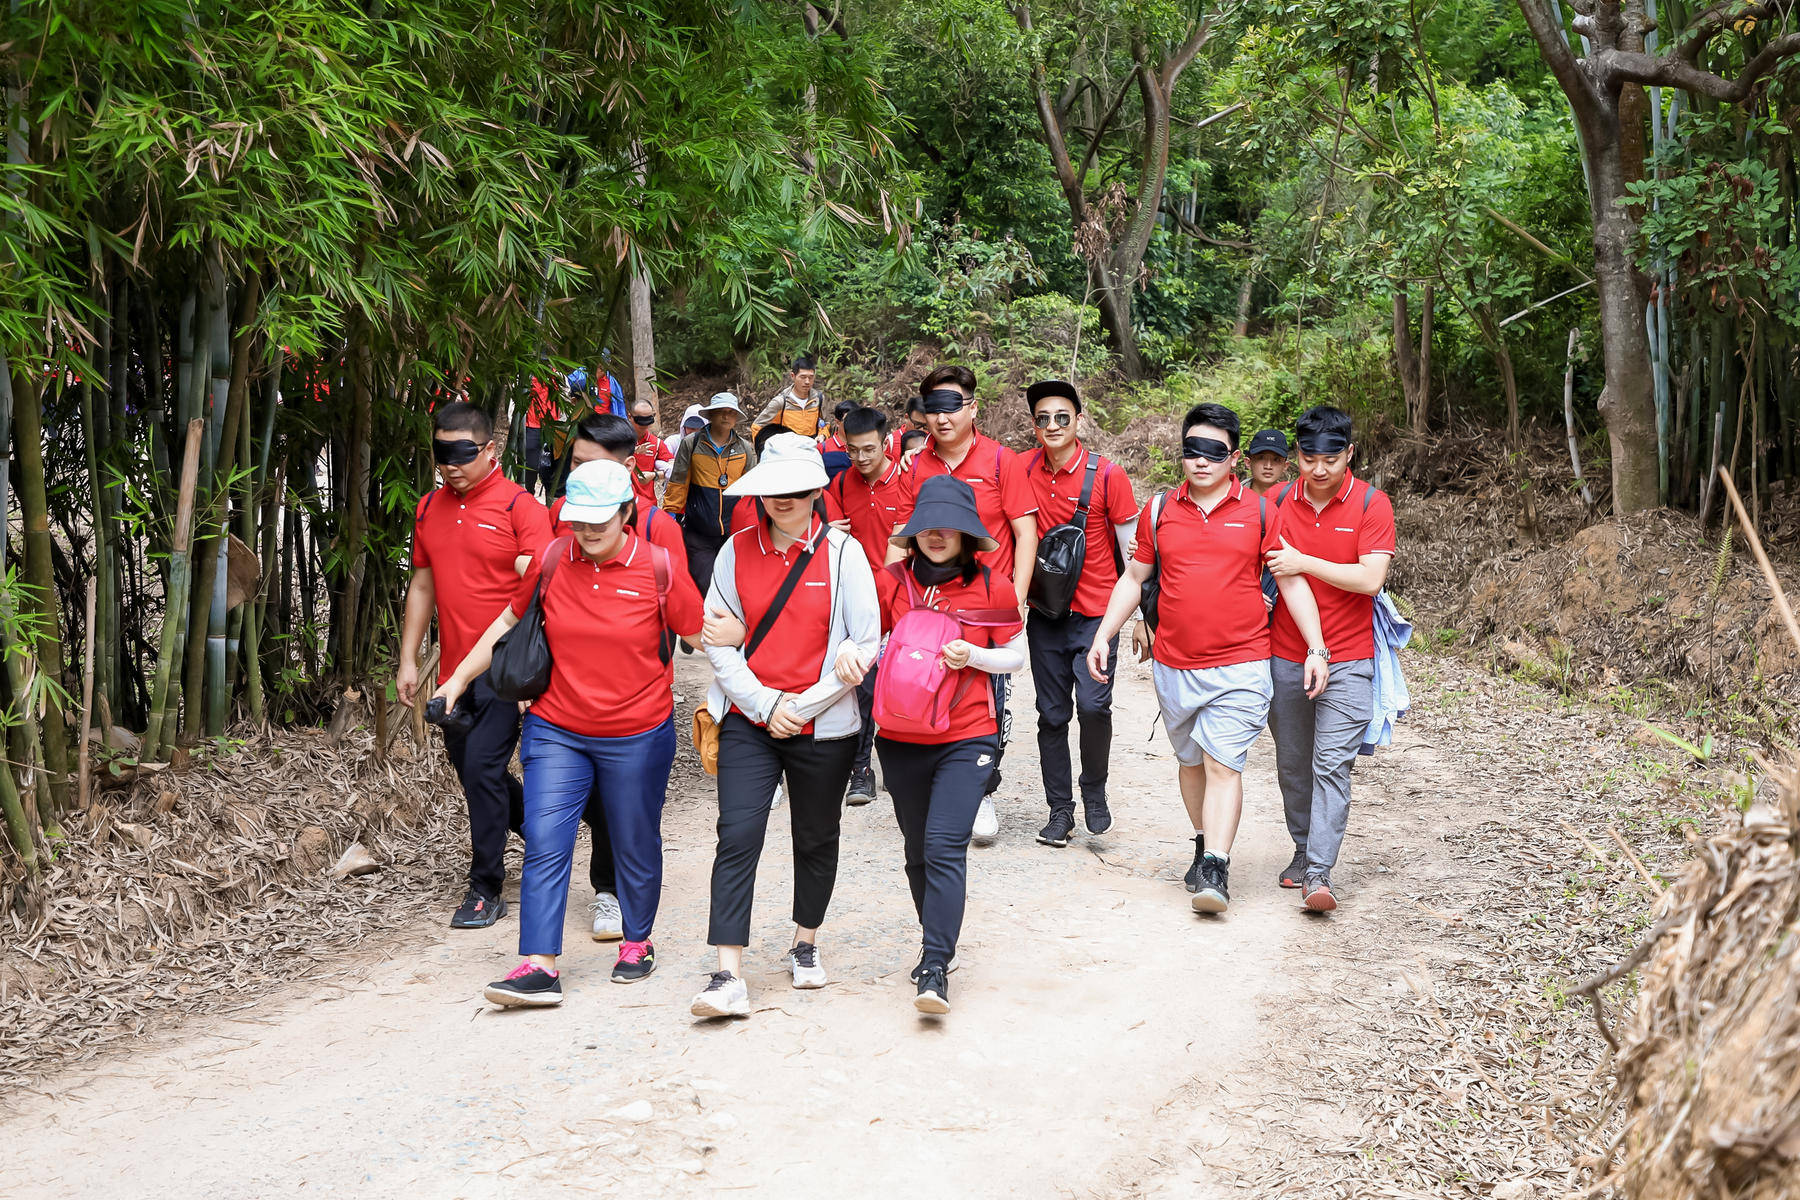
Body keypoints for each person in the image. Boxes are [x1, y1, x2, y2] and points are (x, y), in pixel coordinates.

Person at [434, 461, 704, 1006]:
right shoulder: (554, 559)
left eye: (598, 523)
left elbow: (704, 635)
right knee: (546, 842)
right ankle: (539, 964)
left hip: (637, 731)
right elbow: (508, 623)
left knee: (633, 839)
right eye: (577, 521)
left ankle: (636, 941)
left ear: (627, 513)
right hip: (557, 727)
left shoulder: (658, 567)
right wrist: (458, 679)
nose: (586, 533)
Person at [1085, 403, 1330, 916]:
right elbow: (1135, 578)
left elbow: (1289, 578)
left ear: (1234, 457)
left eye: (1213, 451)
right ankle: (1202, 841)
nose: (1201, 460)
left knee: (1223, 762)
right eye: (1191, 449)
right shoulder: (1158, 510)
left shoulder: (1261, 511)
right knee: (1190, 761)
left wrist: (1316, 647)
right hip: (1174, 665)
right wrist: (1104, 634)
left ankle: (1216, 866)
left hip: (1242, 664)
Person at [688, 434, 881, 1019]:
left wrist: (803, 705)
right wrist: (766, 702)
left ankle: (805, 942)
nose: (784, 500)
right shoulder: (734, 551)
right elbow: (717, 641)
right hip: (750, 719)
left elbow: (863, 643)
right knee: (737, 833)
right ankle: (728, 974)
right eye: (773, 490)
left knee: (815, 835)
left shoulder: (845, 556)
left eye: (796, 489)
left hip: (823, 724)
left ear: (816, 491)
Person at [866, 476, 1024, 1014]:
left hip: (967, 733)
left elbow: (1014, 656)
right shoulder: (888, 582)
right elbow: (862, 645)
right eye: (926, 526)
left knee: (942, 845)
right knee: (916, 850)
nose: (936, 535)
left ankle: (934, 964)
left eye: (948, 527)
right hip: (900, 735)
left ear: (968, 533)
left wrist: (972, 655)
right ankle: (938, 937)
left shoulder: (993, 586)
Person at [398, 401, 552, 928]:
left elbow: (543, 587)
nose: (450, 464)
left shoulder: (520, 509)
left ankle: (486, 887)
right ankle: (547, 831)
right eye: (441, 453)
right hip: (453, 672)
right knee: (474, 774)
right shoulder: (427, 509)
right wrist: (409, 659)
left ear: (490, 450)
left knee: (484, 769)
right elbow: (422, 583)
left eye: (462, 453)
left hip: (509, 670)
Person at [549, 413, 692, 940]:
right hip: (567, 693)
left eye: (596, 466)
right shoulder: (564, 517)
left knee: (622, 801)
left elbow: (680, 614)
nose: (582, 481)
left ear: (629, 469)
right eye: (577, 466)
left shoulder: (658, 528)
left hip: (635, 695)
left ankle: (610, 890)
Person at [894, 365, 1037, 843]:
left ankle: (981, 788)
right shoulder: (916, 464)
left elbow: (1025, 532)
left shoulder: (1001, 461)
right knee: (922, 683)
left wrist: (1013, 600)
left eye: (951, 406)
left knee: (988, 695)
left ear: (972, 408)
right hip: (925, 607)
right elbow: (905, 537)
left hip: (984, 603)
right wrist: (889, 592)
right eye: (932, 408)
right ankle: (935, 775)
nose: (941, 417)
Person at [1263, 406, 1396, 912]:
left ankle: (1319, 871)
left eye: (1331, 459)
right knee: (1293, 763)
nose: (1319, 470)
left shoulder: (1370, 504)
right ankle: (1302, 848)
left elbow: (1369, 579)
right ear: (1297, 454)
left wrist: (1303, 561)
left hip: (1350, 658)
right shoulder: (1276, 501)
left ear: (1350, 454)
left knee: (1330, 765)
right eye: (1309, 458)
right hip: (1286, 655)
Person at [1021, 380, 1139, 847]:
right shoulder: (1020, 469)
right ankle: (1060, 811)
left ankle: (1094, 790)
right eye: (1043, 418)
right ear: (1034, 425)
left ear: (1079, 420)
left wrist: (1141, 618)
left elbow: (1133, 553)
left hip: (1096, 617)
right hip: (1044, 616)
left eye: (1061, 417)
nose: (1052, 425)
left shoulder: (1108, 475)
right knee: (1051, 716)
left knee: (1093, 706)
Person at [826, 406, 913, 804]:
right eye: (853, 450)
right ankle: (860, 771)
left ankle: (900, 767)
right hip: (860, 606)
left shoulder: (909, 482)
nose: (861, 458)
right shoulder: (841, 484)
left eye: (869, 450)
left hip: (903, 604)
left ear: (887, 443)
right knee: (861, 687)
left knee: (900, 689)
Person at [663, 392, 755, 597]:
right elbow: (678, 482)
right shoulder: (691, 443)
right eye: (720, 412)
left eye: (731, 412)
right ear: (710, 415)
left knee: (733, 587)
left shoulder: (744, 449)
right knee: (705, 585)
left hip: (733, 533)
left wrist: (754, 527)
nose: (726, 416)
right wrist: (671, 517)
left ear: (736, 417)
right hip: (698, 530)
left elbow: (752, 491)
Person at [752, 354, 826, 439]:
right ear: (792, 376)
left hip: (813, 449)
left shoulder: (818, 399)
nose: (807, 382)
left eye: (811, 377)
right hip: (788, 449)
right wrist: (767, 450)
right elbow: (757, 427)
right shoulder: (781, 402)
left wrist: (822, 435)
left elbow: (825, 423)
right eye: (803, 377)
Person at [629, 397, 674, 509]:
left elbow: (674, 469)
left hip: (647, 504)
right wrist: (631, 451)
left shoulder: (657, 443)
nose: (644, 427)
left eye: (648, 422)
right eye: (641, 423)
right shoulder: (619, 438)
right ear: (629, 417)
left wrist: (655, 475)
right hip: (622, 503)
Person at [1244, 429, 1290, 496]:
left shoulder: (1291, 501)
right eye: (1261, 458)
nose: (1268, 466)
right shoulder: (1232, 498)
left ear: (1285, 466)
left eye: (1276, 459)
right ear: (1248, 463)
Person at [888, 394, 928, 462]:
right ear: (906, 417)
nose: (921, 430)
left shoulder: (934, 438)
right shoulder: (890, 443)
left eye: (926, 426)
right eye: (917, 424)